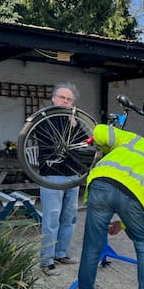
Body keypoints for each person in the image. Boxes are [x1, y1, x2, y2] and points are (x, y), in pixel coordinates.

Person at [77, 124, 144, 289]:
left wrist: (103, 147)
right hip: (134, 197)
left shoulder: (133, 140)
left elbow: (100, 132)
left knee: (92, 245)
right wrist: (127, 225)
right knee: (143, 244)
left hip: (102, 183)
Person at [39, 83, 83, 276]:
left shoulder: (74, 120)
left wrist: (74, 126)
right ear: (53, 98)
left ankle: (60, 253)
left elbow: (83, 144)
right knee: (51, 218)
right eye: (62, 97)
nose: (65, 101)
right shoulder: (43, 119)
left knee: (70, 217)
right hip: (52, 174)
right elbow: (49, 141)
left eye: (69, 99)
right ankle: (46, 259)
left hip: (73, 174)